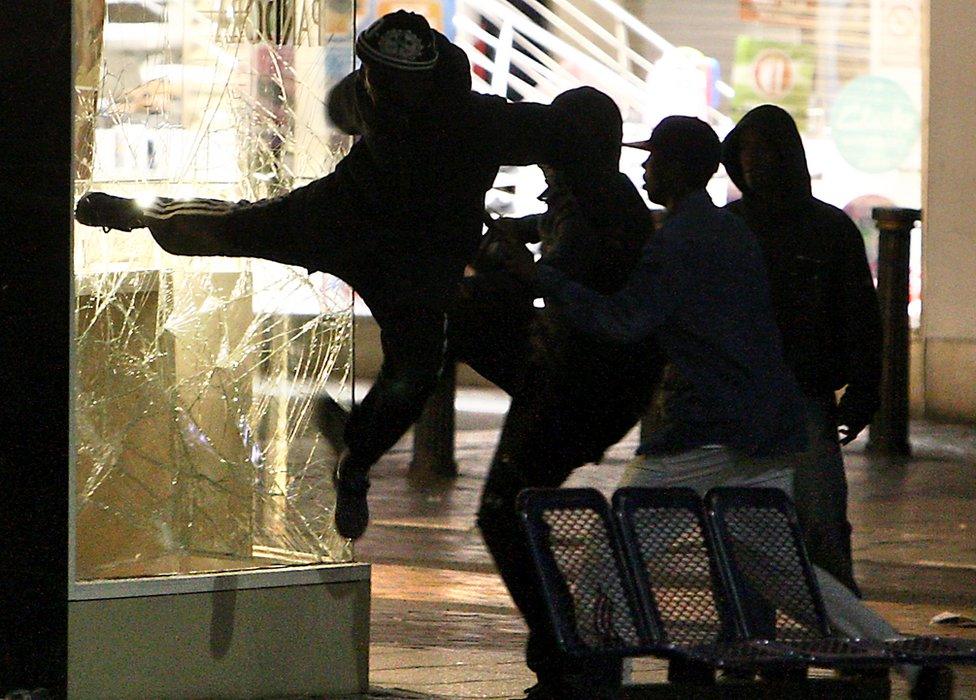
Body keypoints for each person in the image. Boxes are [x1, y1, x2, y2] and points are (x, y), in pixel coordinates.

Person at [74, 11, 600, 542]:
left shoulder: (477, 121)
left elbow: (564, 133)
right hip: (349, 218)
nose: (383, 91)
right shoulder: (374, 97)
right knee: (240, 224)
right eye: (375, 77)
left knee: (414, 373)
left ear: (425, 80)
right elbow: (345, 111)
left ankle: (355, 463)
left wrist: (585, 203)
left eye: (396, 83)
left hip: (417, 261)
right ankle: (143, 213)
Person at [499, 115, 936, 698]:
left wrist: (538, 278)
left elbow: (623, 321)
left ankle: (596, 677)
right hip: (767, 428)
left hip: (704, 434)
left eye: (654, 160)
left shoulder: (684, 240)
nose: (645, 169)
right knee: (790, 576)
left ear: (679, 170)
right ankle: (905, 658)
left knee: (611, 556)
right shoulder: (726, 233)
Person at [457, 90, 666, 700]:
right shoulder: (587, 198)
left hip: (584, 385)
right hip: (571, 378)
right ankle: (557, 645)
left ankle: (559, 647)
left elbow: (559, 275)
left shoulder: (599, 205)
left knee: (504, 509)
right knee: (512, 507)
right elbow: (530, 239)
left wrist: (505, 259)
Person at [721, 104, 883, 595]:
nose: (753, 164)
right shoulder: (734, 227)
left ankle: (838, 644)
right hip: (755, 399)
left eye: (763, 153)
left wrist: (861, 392)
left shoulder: (826, 231)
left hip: (800, 395)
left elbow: (860, 317)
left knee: (819, 525)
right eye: (746, 154)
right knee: (753, 528)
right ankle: (780, 642)